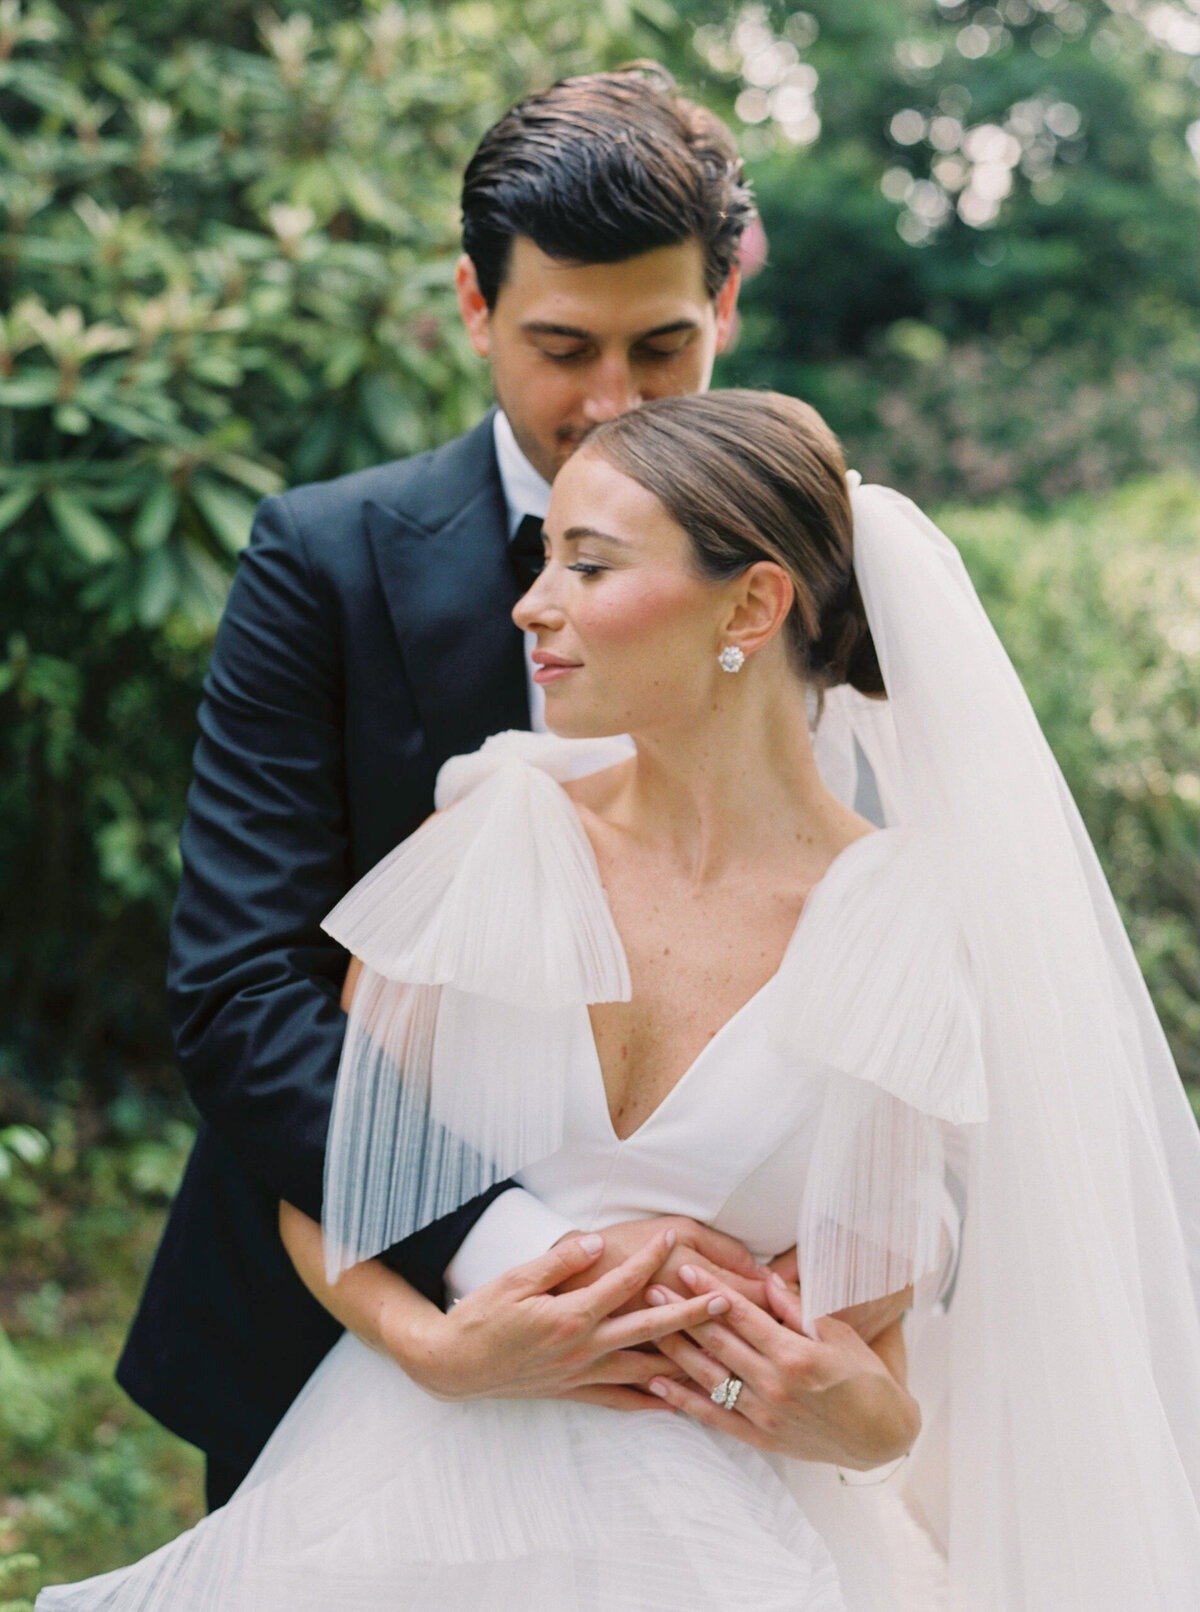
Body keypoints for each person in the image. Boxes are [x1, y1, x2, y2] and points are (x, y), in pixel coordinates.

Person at [40, 391, 1200, 1610]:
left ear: (749, 607)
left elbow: (866, 1326)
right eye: (544, 558)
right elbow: (333, 1177)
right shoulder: (494, 830)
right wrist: (436, 1346)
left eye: (587, 566)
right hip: (403, 1504)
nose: (531, 605)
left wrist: (865, 1417)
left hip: (728, 1543)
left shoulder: (898, 927)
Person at [115, 64, 927, 1518]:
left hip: (721, 1421)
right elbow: (243, 991)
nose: (612, 400)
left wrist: (816, 1289)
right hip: (347, 1339)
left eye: (664, 345)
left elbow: (907, 1000)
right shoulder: (323, 560)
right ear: (476, 308)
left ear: (726, 308)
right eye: (563, 346)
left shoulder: (819, 577)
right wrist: (506, 1264)